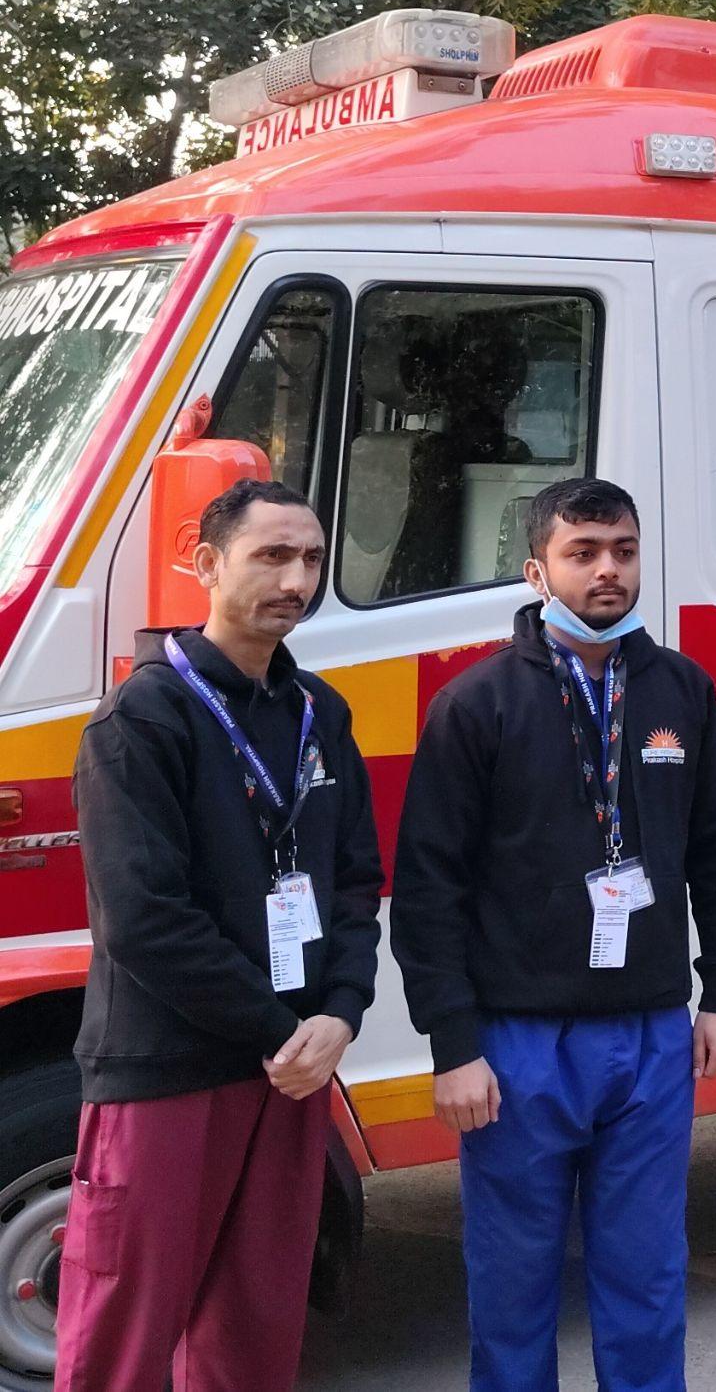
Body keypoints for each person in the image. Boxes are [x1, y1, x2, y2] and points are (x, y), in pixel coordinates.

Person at [391, 477, 716, 1391]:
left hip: (650, 1037)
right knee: (511, 1289)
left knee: (647, 1278)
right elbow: (428, 886)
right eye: (583, 552)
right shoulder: (477, 704)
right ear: (535, 569)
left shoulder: (682, 691)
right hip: (520, 1047)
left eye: (623, 551)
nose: (607, 571)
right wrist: (453, 1044)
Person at [57, 479, 383, 1392]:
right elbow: (144, 919)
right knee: (123, 1337)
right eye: (272, 555)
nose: (297, 578)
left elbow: (356, 879)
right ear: (204, 564)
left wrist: (343, 1012)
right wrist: (283, 1029)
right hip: (169, 1071)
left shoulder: (321, 711)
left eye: (312, 558)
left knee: (254, 1333)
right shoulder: (142, 720)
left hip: (289, 1074)